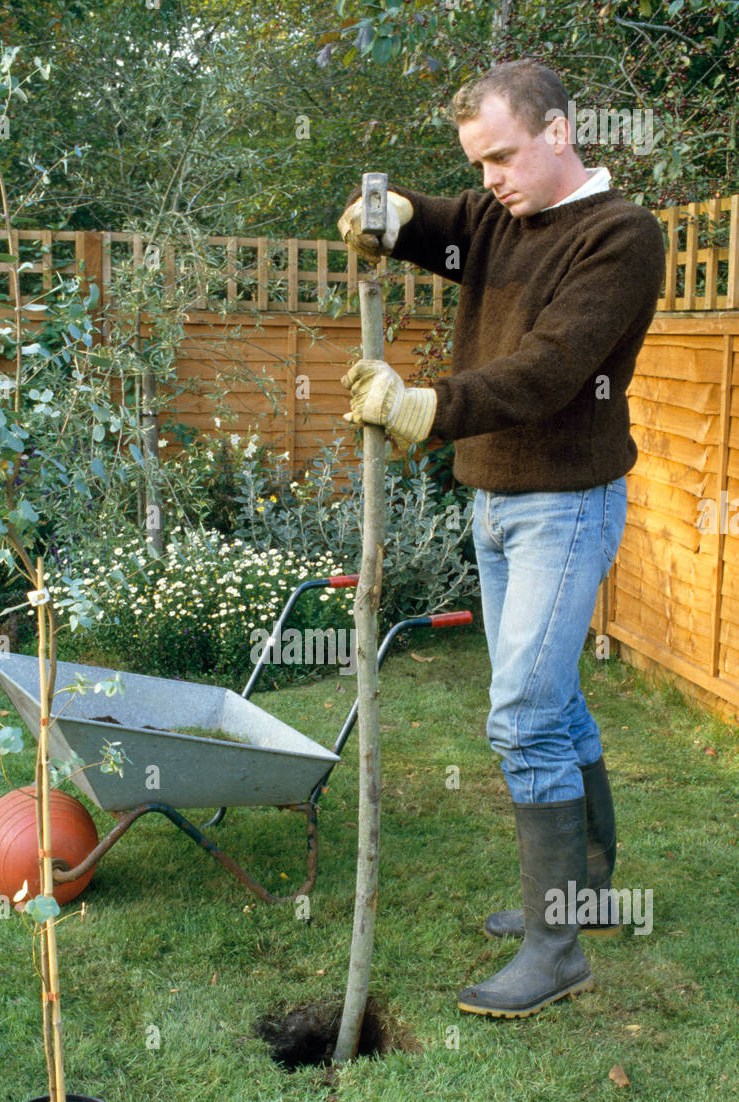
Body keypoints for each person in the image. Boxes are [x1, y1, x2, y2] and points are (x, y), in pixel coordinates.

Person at [337, 59, 666, 1019]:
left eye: (503, 157)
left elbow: (551, 368)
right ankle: (588, 893)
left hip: (566, 502)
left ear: (560, 131)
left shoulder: (620, 236)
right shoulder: (495, 217)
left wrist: (425, 404)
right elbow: (437, 225)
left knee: (522, 710)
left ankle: (555, 949)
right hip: (494, 498)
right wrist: (391, 215)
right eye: (476, 163)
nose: (489, 181)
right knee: (552, 700)